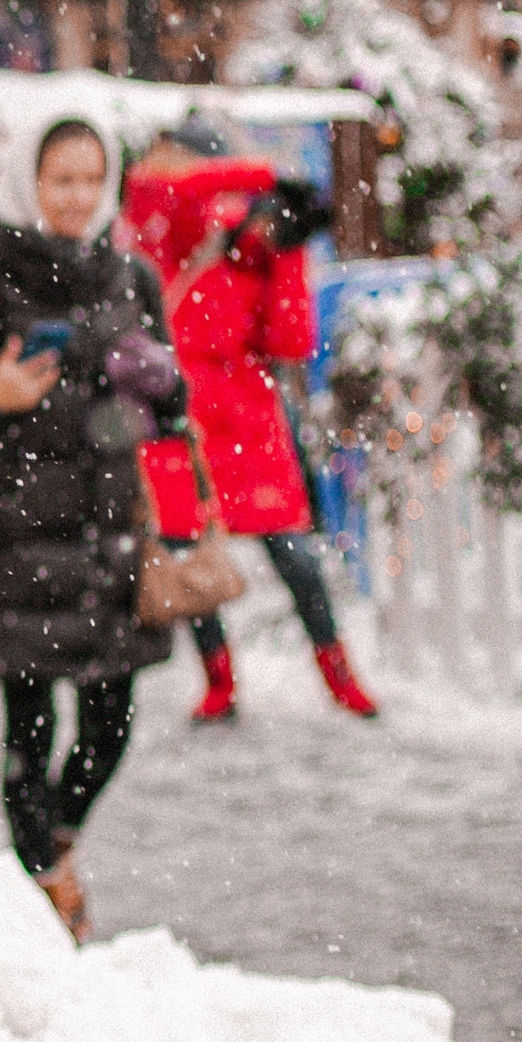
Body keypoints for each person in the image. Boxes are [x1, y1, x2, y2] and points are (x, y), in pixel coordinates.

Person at [0, 98, 188, 943]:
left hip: (107, 542)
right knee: (27, 731)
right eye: (62, 178)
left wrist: (159, 385)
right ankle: (49, 884)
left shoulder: (129, 277)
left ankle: (48, 848)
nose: (77, 196)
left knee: (112, 724)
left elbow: (173, 406)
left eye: (92, 179)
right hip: (16, 543)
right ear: (30, 179)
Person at [124, 127, 376, 723]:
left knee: (295, 555)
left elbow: (291, 341)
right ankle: (219, 682)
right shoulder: (176, 233)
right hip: (182, 416)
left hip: (249, 417)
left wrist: (286, 249)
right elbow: (155, 186)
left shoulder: (256, 251)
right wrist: (265, 177)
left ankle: (339, 674)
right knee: (192, 557)